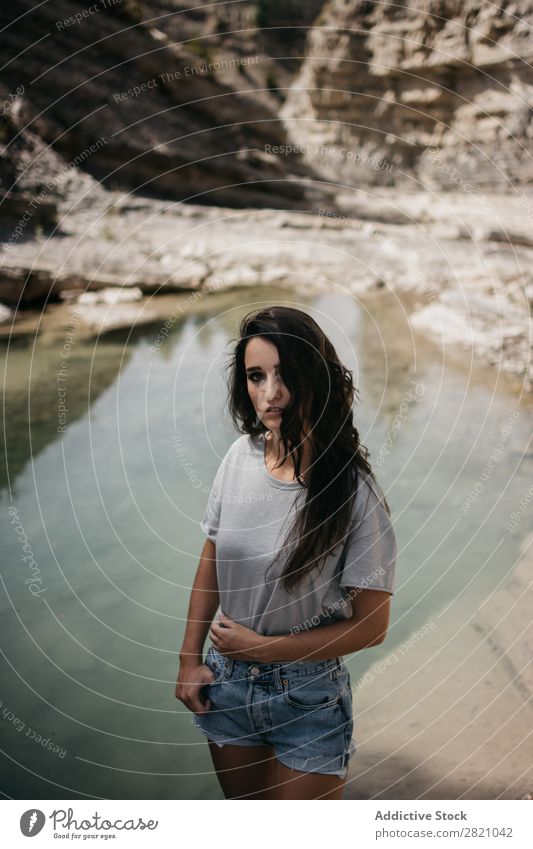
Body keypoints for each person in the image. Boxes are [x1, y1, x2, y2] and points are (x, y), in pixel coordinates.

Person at [175, 306, 397, 800]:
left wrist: (265, 649)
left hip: (309, 698)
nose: (269, 393)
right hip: (227, 685)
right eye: (256, 376)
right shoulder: (238, 458)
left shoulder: (355, 492)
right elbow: (211, 559)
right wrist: (189, 659)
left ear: (314, 379)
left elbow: (371, 627)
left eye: (284, 375)